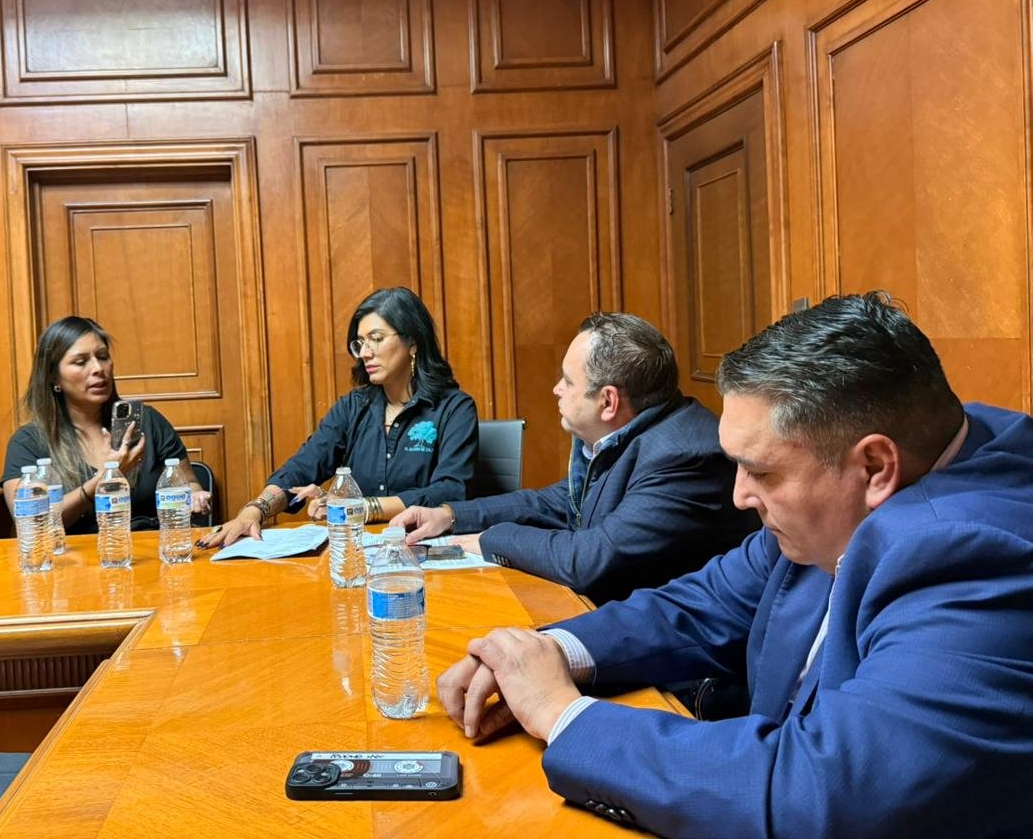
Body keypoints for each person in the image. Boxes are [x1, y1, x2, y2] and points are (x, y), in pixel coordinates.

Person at [437, 292, 1033, 837]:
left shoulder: (975, 559)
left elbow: (824, 792)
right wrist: (545, 654)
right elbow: (705, 603)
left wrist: (561, 713)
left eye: (761, 471)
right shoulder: (851, 495)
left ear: (874, 466)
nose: (740, 496)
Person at [392, 313, 757, 604]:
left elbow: (589, 561)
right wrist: (450, 516)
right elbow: (562, 500)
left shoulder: (684, 457)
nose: (556, 389)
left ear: (608, 401)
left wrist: (491, 538)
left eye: (567, 381)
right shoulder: (632, 430)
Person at [199, 287, 478, 547]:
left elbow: (449, 490)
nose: (365, 353)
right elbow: (301, 468)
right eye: (360, 343)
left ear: (413, 342)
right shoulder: (353, 407)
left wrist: (358, 508)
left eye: (376, 339)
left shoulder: (454, 408)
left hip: (423, 548)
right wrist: (254, 511)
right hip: (356, 550)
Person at [2, 316, 210, 533]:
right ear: (54, 377)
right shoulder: (28, 442)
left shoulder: (147, 422)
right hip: (77, 553)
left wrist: (196, 496)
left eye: (102, 357)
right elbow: (30, 524)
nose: (98, 368)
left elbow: (190, 484)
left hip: (152, 547)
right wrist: (103, 480)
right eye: (80, 362)